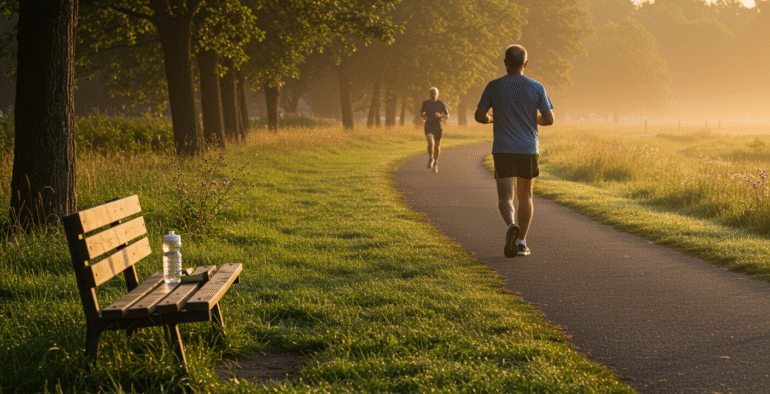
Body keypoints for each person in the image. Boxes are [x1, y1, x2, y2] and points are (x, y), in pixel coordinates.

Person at [475, 45, 554, 258]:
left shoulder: (494, 86)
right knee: (525, 197)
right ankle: (521, 242)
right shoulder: (537, 87)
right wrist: (532, 119)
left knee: (505, 197)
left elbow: (479, 115)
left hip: (503, 149)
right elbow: (549, 119)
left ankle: (511, 226)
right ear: (525, 64)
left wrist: (492, 118)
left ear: (505, 63)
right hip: (528, 149)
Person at [420, 87, 449, 172]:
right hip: (428, 126)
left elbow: (447, 116)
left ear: (437, 95)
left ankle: (435, 163)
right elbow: (421, 112)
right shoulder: (425, 103)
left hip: (438, 127)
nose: (433, 96)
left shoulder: (441, 103)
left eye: (434, 94)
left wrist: (440, 116)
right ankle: (431, 158)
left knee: (437, 146)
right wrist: (423, 115)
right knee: (430, 144)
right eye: (431, 94)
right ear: (429, 95)